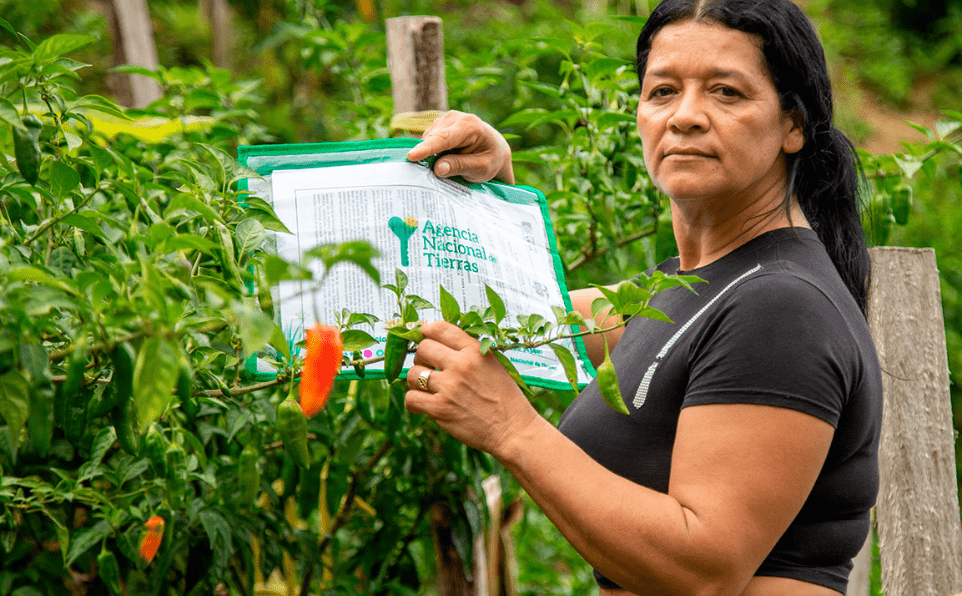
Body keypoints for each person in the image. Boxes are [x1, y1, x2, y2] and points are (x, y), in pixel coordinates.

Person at [402, 0, 883, 594]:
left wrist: (512, 429)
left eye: (726, 92)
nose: (685, 116)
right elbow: (514, 315)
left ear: (794, 125)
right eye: (662, 92)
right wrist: (488, 198)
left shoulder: (781, 307)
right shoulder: (686, 287)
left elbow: (704, 568)